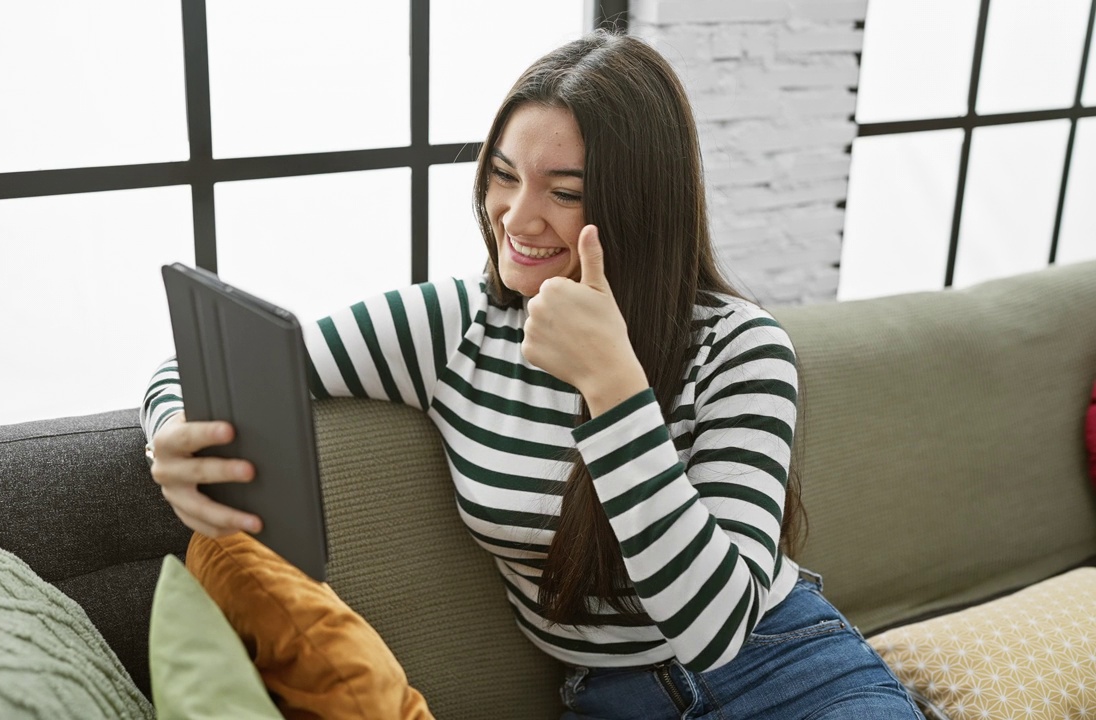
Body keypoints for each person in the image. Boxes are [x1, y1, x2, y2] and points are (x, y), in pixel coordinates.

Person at [143, 30, 924, 719]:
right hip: (610, 699)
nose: (516, 217)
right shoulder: (456, 326)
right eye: (503, 174)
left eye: (566, 192)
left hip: (789, 672)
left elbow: (716, 627)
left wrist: (613, 387)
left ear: (639, 208)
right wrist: (173, 432)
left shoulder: (742, 348)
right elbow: (210, 363)